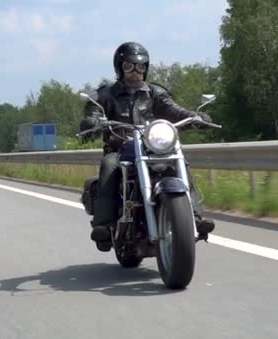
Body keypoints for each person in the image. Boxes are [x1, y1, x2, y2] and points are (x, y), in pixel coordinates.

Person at [79, 41, 215, 251]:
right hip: (120, 148)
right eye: (129, 66)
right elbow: (93, 113)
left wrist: (195, 116)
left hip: (151, 146)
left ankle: (194, 217)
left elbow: (175, 111)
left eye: (140, 67)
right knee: (109, 165)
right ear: (119, 67)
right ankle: (103, 225)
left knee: (179, 160)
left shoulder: (154, 93)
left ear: (146, 68)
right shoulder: (106, 95)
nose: (135, 72)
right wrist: (92, 121)